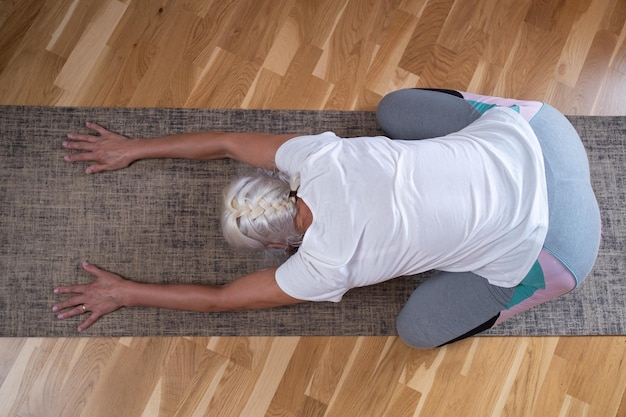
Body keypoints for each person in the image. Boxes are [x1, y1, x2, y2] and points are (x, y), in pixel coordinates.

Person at [53, 89, 601, 348]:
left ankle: (527, 283)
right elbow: (223, 142)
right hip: (542, 131)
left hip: (559, 246)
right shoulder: (315, 157)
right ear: (273, 178)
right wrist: (134, 148)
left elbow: (221, 300)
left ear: (274, 249)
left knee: (416, 332)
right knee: (393, 112)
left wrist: (127, 292)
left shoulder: (318, 270)